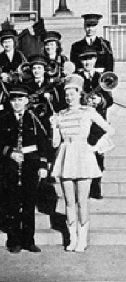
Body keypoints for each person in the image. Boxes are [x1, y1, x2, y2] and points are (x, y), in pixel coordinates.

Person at [50, 74, 115, 252]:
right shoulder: (60, 115)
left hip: (83, 155)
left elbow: (110, 129)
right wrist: (54, 127)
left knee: (82, 202)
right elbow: (55, 143)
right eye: (66, 94)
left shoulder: (88, 112)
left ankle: (83, 239)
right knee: (69, 202)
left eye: (72, 94)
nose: (69, 97)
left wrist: (95, 148)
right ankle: (72, 238)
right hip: (65, 155)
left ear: (79, 94)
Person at [0, 85, 48, 254]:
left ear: (26, 101)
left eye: (20, 100)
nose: (17, 104)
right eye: (13, 100)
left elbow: (43, 142)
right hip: (10, 165)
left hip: (30, 165)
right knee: (12, 203)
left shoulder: (34, 118)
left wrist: (43, 165)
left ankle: (29, 240)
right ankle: (14, 240)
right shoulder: (2, 119)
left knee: (29, 203)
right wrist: (10, 153)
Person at [75, 46, 114, 199]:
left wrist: (100, 100)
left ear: (95, 60)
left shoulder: (101, 77)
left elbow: (109, 99)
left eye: (90, 59)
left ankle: (96, 187)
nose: (87, 62)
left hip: (98, 122)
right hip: (82, 122)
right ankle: (83, 188)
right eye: (84, 59)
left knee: (98, 153)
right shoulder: (76, 77)